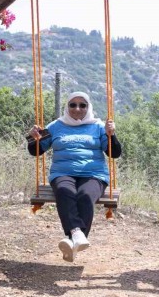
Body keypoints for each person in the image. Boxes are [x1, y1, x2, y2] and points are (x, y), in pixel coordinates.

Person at [28, 91, 122, 263]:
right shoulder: (56, 126)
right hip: (63, 173)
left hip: (94, 174)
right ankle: (77, 236)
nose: (77, 109)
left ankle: (73, 238)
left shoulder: (99, 126)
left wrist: (112, 135)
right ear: (67, 107)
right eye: (73, 105)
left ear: (88, 107)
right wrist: (33, 138)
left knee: (85, 196)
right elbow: (36, 150)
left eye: (82, 105)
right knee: (64, 191)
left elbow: (114, 153)